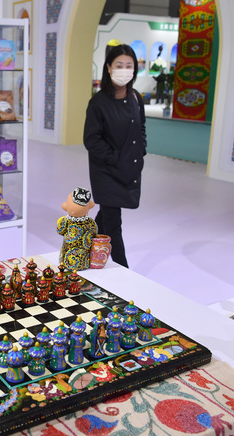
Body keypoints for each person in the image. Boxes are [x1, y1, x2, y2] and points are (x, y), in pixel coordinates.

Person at [83, 44, 147, 268]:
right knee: (113, 222)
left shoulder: (136, 98)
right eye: (119, 65)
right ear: (109, 67)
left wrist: (140, 151)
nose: (124, 70)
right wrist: (115, 158)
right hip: (106, 171)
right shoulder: (98, 103)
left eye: (129, 66)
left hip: (129, 169)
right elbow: (91, 140)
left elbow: (141, 129)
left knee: (106, 215)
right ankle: (123, 268)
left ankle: (85, 244)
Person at [57, 187, 97, 271]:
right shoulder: (90, 222)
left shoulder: (66, 221)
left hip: (66, 259)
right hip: (84, 260)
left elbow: (60, 231)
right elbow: (94, 233)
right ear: (90, 206)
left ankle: (65, 263)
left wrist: (59, 223)